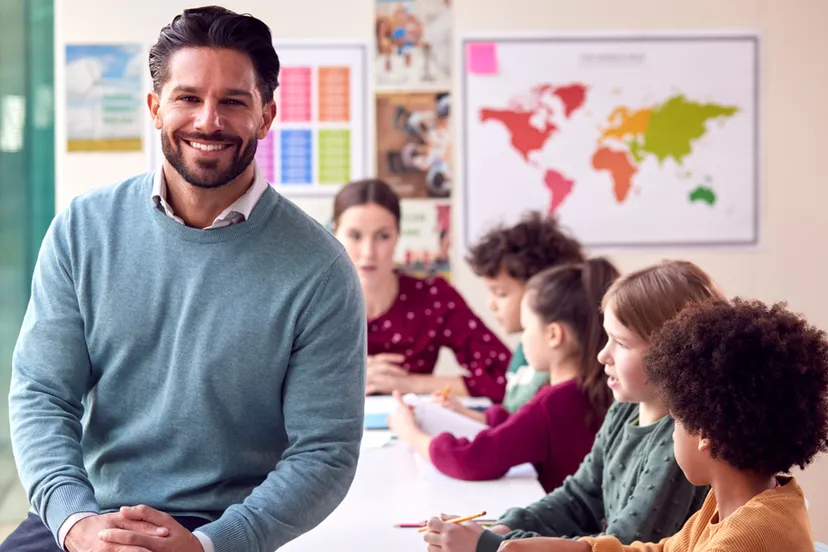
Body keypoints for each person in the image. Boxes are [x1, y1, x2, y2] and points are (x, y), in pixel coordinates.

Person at [4, 6, 366, 552]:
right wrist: (74, 523)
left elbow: (325, 452)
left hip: (225, 529)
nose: (208, 121)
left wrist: (211, 544)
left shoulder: (320, 268)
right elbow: (42, 395)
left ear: (266, 116)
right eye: (188, 98)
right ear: (155, 107)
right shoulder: (82, 230)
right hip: (90, 515)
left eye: (233, 102)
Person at [422, 260, 720, 552]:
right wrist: (502, 527)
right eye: (607, 338)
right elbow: (579, 498)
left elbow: (621, 545)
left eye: (622, 343)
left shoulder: (679, 443)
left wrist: (490, 545)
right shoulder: (624, 411)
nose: (603, 355)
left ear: (674, 354)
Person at [495, 298, 828, 552]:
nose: (671, 431)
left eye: (677, 420)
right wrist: (580, 548)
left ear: (705, 437)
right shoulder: (741, 503)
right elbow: (662, 550)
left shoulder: (744, 539)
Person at [388, 259, 618, 492]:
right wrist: (468, 414)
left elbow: (473, 459)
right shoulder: (586, 388)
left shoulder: (554, 403)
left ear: (554, 335)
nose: (523, 340)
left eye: (527, 328)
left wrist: (411, 434)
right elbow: (520, 427)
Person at [332, 178, 511, 401]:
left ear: (398, 235)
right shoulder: (310, 300)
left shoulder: (433, 298)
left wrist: (410, 383)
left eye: (383, 236)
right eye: (355, 236)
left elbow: (510, 379)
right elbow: (278, 382)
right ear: (333, 234)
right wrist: (343, 377)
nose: (368, 252)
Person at [442, 211, 584, 422]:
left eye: (501, 294)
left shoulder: (555, 363)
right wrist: (467, 415)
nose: (491, 304)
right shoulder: (525, 350)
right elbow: (512, 420)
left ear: (543, 292)